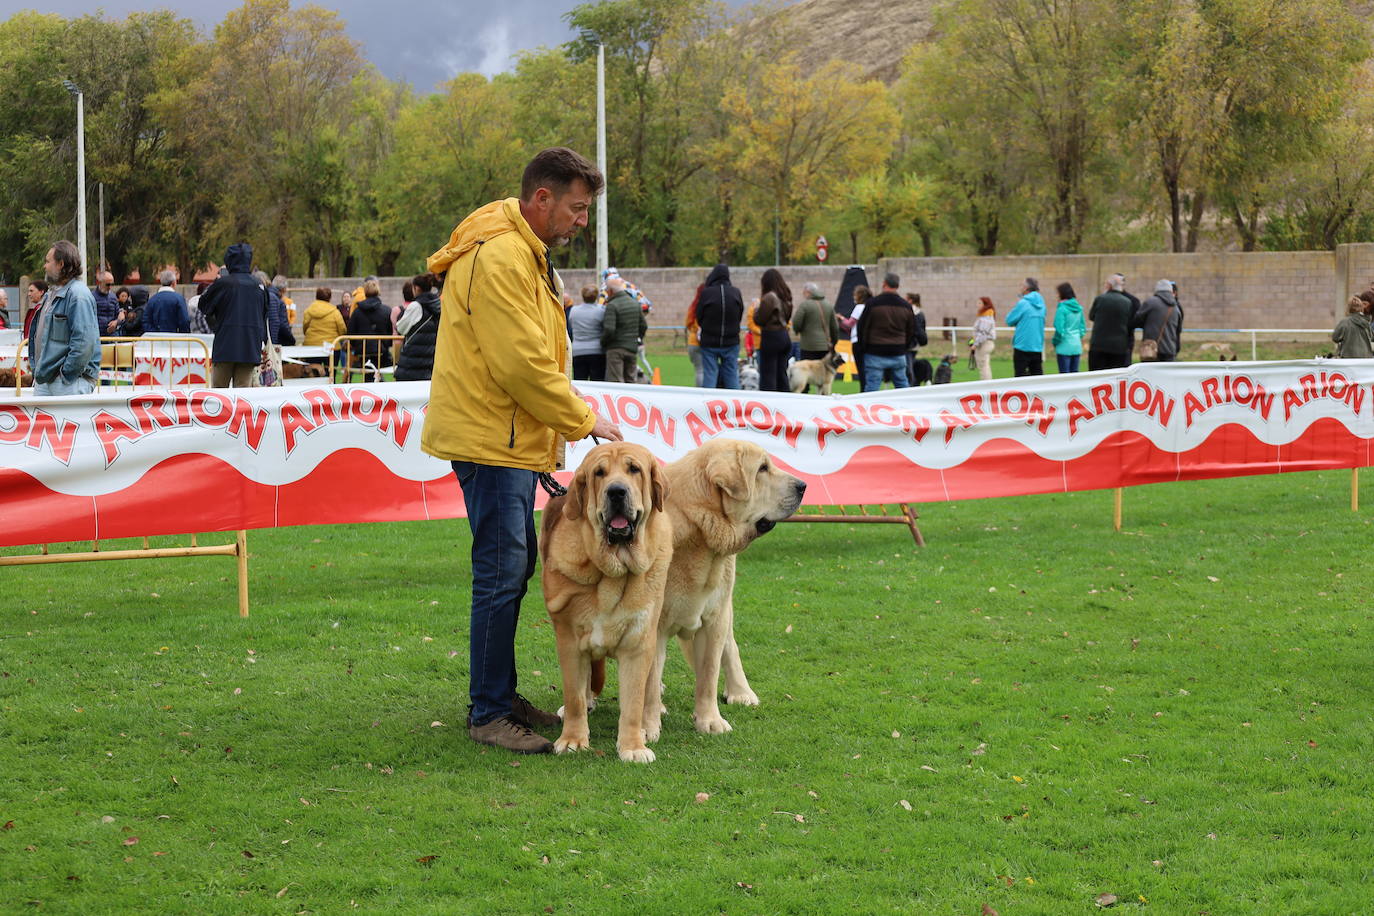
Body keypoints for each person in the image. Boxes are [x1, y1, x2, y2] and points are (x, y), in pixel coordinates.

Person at [421, 146, 622, 754]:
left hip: (505, 438)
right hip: (492, 442)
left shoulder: (524, 254)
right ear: (542, 199)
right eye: (577, 208)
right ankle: (487, 712)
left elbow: (534, 357)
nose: (582, 221)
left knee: (513, 569)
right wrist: (584, 418)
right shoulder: (505, 256)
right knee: (502, 573)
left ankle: (500, 696)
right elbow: (520, 365)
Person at [28, 241, 100, 395]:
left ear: (60, 264)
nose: (44, 266)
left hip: (68, 382)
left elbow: (84, 343)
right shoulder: (50, 295)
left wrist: (66, 374)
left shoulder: (78, 295)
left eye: (48, 261)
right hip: (47, 380)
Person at [197, 243, 269, 388]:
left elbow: (204, 305)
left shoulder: (223, 284)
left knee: (219, 395)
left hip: (225, 345)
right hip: (249, 346)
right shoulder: (259, 285)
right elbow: (264, 314)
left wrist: (216, 325)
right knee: (242, 396)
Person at [856, 272, 916, 392]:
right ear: (897, 286)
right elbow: (911, 330)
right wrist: (904, 347)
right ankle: (907, 410)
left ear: (884, 284)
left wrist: (864, 347)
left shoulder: (872, 304)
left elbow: (862, 328)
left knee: (872, 389)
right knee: (903, 387)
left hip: (874, 352)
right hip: (898, 352)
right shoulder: (906, 306)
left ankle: (870, 410)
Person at [695, 263, 744, 389]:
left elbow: (699, 316)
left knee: (710, 375)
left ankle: (709, 405)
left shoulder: (707, 293)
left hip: (709, 342)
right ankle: (735, 405)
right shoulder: (735, 292)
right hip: (731, 341)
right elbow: (739, 314)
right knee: (732, 375)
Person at [394, 274, 442, 381]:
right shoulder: (438, 304)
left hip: (412, 362)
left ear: (416, 288)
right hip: (430, 359)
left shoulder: (416, 306)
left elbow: (401, 328)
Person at [1087, 273, 1137, 370]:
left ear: (1109, 285)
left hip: (1099, 345)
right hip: (1119, 346)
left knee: (1097, 376)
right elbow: (1130, 322)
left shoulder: (1100, 299)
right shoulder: (1127, 302)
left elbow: (1092, 316)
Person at [754, 268, 793, 392]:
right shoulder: (785, 296)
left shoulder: (769, 298)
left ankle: (768, 405)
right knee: (781, 374)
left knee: (768, 375)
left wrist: (756, 309)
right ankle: (785, 402)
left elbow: (759, 319)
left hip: (771, 337)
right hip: (784, 336)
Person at [346, 278, 394, 379]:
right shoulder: (386, 310)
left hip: (363, 351)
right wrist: (386, 344)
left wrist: (357, 346)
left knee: (368, 377)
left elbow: (351, 332)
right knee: (378, 376)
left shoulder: (357, 312)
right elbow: (390, 330)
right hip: (382, 350)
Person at [601, 275, 645, 383]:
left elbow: (609, 330)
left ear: (611, 291)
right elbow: (643, 325)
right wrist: (636, 339)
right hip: (631, 348)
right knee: (630, 381)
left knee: (616, 381)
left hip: (615, 349)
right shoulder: (635, 304)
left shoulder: (612, 305)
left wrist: (603, 342)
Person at [1135, 279, 1183, 362]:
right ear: (1170, 290)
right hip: (1170, 352)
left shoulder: (1150, 302)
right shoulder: (1176, 308)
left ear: (1157, 290)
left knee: (1149, 375)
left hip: (1151, 350)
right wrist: (1175, 350)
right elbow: (1178, 331)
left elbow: (1136, 321)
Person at [1006, 277, 1046, 376]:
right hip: (1037, 345)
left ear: (1025, 288)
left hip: (1022, 346)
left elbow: (1009, 320)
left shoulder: (1023, 303)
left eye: (1021, 285)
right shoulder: (1042, 304)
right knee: (1037, 379)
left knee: (1020, 378)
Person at [792, 281, 839, 362]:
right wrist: (834, 342)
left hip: (808, 346)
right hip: (825, 346)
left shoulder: (805, 305)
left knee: (808, 372)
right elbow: (835, 328)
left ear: (808, 292)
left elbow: (796, 323)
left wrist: (797, 331)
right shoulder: (828, 305)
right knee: (823, 372)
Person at [568, 284, 606, 381]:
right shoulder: (601, 310)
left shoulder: (574, 310)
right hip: (596, 350)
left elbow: (571, 325)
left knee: (580, 382)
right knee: (597, 382)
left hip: (578, 351)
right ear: (597, 296)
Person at [1052, 282, 1086, 373]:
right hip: (1076, 345)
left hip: (1064, 346)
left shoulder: (1061, 309)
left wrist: (1055, 342)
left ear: (1061, 294)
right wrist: (1078, 338)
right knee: (1074, 376)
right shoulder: (1079, 309)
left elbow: (1059, 330)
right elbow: (1082, 329)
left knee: (1064, 377)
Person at [302, 286, 346, 351]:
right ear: (329, 298)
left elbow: (305, 329)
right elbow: (342, 329)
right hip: (331, 346)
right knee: (332, 361)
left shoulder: (308, 311)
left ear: (316, 297)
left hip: (311, 346)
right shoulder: (335, 312)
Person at [904, 291, 929, 384]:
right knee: (910, 366)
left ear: (910, 300)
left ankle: (911, 386)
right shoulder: (920, 313)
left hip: (910, 344)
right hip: (916, 344)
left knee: (908, 369)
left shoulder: (912, 312)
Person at [971, 297, 997, 381]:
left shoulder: (986, 317)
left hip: (984, 343)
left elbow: (983, 333)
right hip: (983, 342)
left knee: (983, 365)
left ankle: (986, 383)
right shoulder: (985, 316)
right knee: (985, 364)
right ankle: (986, 383)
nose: (977, 305)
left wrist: (975, 344)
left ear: (985, 305)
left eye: (979, 303)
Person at [684, 283, 704, 387]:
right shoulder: (708, 305)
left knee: (699, 370)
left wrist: (695, 330)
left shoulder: (693, 306)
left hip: (693, 342)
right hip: (705, 342)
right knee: (704, 370)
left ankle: (700, 392)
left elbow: (688, 323)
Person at [92, 271, 118, 336]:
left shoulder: (113, 297)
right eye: (107, 284)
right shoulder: (91, 297)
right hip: (96, 336)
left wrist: (116, 322)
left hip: (112, 336)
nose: (110, 287)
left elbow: (117, 315)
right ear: (99, 282)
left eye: (112, 284)